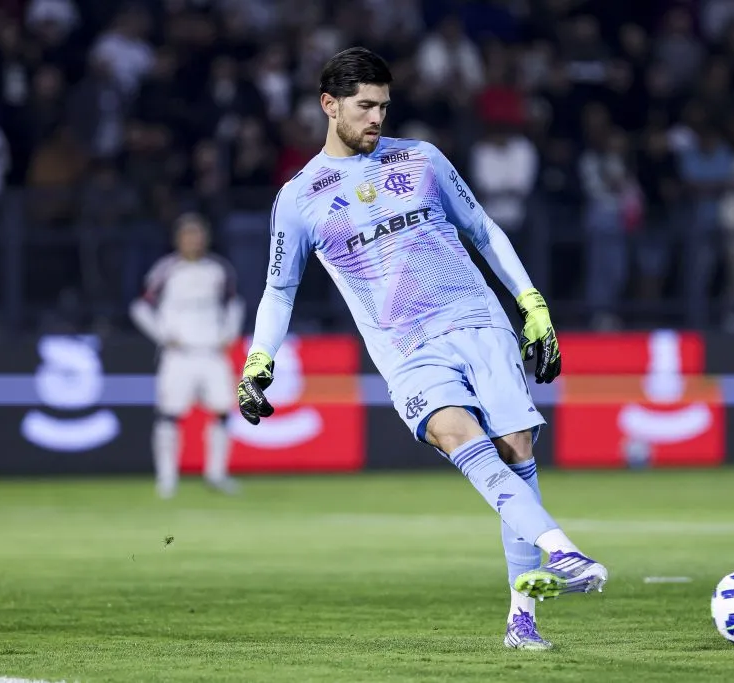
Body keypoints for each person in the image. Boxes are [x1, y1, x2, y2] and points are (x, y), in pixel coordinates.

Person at [235, 47, 608, 650]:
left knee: (515, 448)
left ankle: (523, 621)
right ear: (329, 106)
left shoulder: (423, 159)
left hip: (480, 324)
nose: (377, 118)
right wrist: (260, 359)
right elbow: (279, 291)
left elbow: (483, 230)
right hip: (408, 349)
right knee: (458, 435)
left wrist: (532, 304)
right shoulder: (299, 197)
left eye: (384, 106)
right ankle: (561, 550)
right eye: (364, 107)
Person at [130, 213, 244, 498]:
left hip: (211, 351)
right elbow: (141, 307)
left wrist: (229, 333)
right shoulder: (166, 270)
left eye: (197, 234)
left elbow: (234, 303)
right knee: (169, 414)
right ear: (178, 239)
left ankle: (216, 475)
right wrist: (163, 335)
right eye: (187, 235)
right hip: (178, 355)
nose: (193, 240)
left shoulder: (218, 269)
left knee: (221, 411)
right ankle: (167, 478)